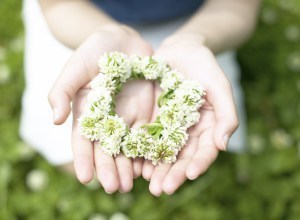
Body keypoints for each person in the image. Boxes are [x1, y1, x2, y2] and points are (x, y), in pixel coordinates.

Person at [21, 0, 260, 196]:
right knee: (74, 157)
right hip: (81, 20)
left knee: (202, 124)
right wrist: (106, 33)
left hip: (202, 21)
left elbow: (238, 6)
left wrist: (195, 39)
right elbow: (57, 4)